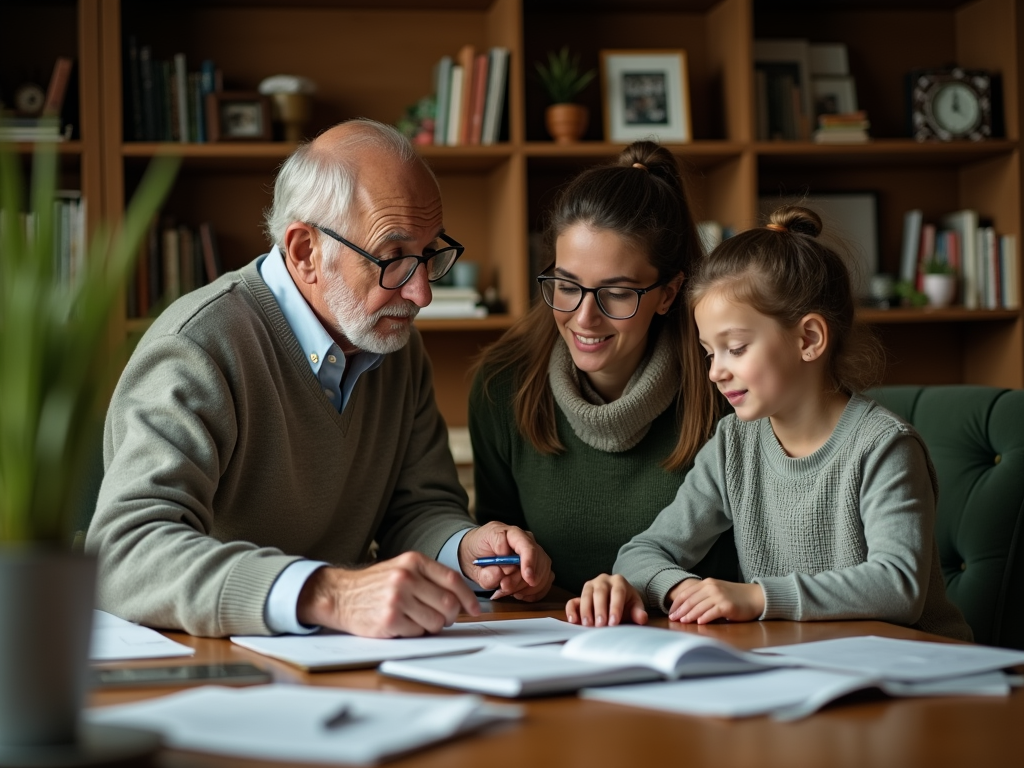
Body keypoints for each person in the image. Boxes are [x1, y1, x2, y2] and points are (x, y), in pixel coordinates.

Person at [86, 119, 552, 639]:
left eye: (428, 255)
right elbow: (124, 553)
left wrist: (465, 551)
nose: (421, 293)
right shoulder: (198, 346)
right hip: (211, 658)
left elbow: (418, 509)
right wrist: (327, 594)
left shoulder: (394, 343)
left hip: (350, 654)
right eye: (393, 257)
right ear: (306, 251)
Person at [567, 205, 972, 642]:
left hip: (918, 671)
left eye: (736, 348)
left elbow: (898, 587)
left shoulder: (883, 448)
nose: (715, 372)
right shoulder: (733, 445)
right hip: (802, 667)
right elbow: (642, 553)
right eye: (709, 352)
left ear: (809, 339)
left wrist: (757, 598)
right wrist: (682, 590)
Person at [469, 140, 737, 596]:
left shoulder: (728, 388)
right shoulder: (502, 385)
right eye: (566, 285)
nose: (584, 318)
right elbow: (493, 555)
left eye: (616, 293)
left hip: (701, 643)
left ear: (669, 294)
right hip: (552, 642)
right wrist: (512, 576)